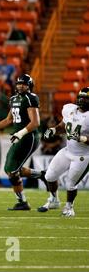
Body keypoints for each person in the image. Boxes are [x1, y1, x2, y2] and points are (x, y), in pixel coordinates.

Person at [0, 74, 47, 210]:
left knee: (12, 170)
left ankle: (23, 202)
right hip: (19, 137)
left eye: (24, 84)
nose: (20, 86)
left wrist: (20, 133)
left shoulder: (30, 98)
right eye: (19, 83)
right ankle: (41, 175)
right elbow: (9, 120)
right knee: (10, 169)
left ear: (29, 86)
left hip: (28, 137)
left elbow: (35, 123)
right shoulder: (14, 99)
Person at [37, 87, 89, 216]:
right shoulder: (70, 109)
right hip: (67, 151)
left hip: (83, 156)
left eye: (85, 98)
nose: (82, 100)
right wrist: (54, 130)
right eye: (80, 97)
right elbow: (64, 126)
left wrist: (82, 138)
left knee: (70, 184)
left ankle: (69, 208)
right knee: (49, 176)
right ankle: (54, 200)